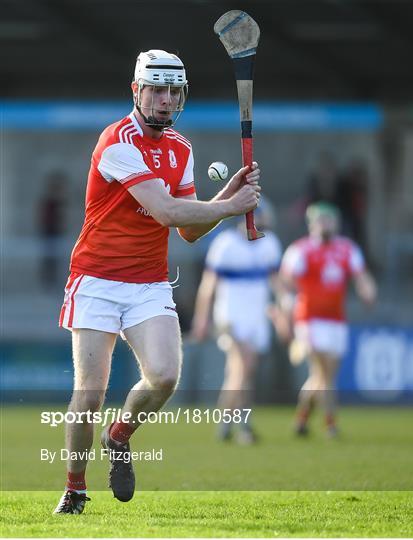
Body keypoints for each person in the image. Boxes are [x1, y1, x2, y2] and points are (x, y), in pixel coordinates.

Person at [54, 49, 261, 514]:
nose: (166, 100)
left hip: (148, 282)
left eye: (175, 91)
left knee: (165, 376)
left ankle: (119, 435)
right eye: (157, 89)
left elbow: (188, 230)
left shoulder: (180, 148)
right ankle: (74, 489)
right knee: (89, 394)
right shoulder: (117, 142)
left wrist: (230, 192)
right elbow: (167, 212)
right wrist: (230, 207)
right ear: (136, 90)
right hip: (97, 279)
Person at [270, 202, 376, 437]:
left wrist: (368, 291)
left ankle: (302, 418)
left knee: (322, 376)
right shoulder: (301, 250)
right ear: (312, 224)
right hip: (309, 319)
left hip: (336, 320)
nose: (325, 224)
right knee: (324, 370)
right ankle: (331, 424)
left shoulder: (347, 249)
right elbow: (284, 284)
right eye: (321, 220)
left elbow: (361, 277)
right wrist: (284, 315)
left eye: (329, 220)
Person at [191, 200, 282, 444]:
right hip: (230, 316)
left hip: (256, 317)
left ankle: (227, 423)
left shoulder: (269, 244)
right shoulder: (225, 244)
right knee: (245, 364)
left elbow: (278, 285)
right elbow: (208, 286)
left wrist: (283, 314)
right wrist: (202, 319)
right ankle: (243, 426)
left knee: (241, 371)